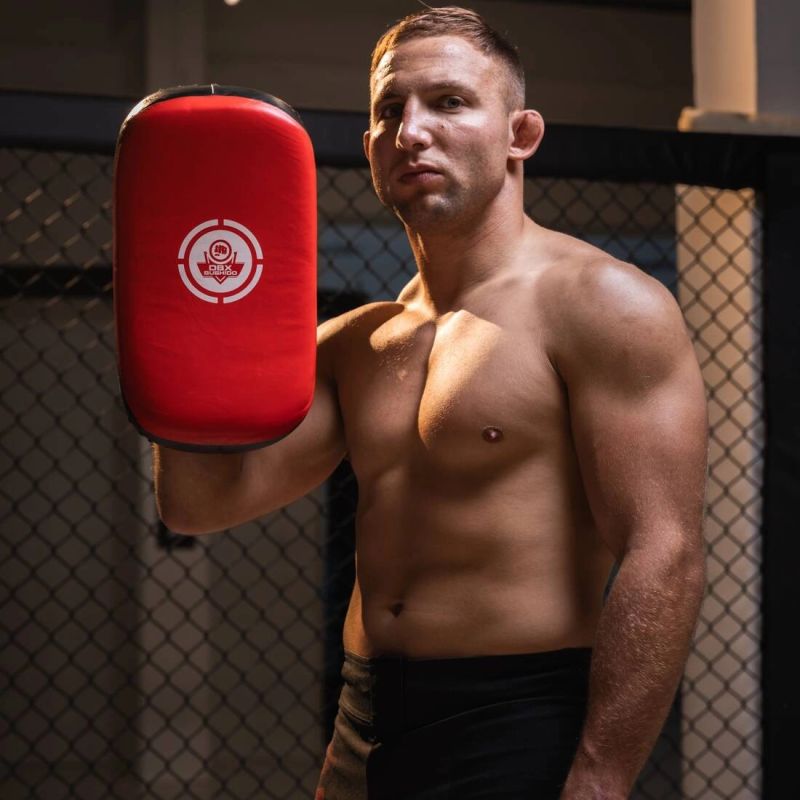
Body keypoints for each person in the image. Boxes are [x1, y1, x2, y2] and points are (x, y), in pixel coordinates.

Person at [153, 6, 708, 798]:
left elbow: (664, 552)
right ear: (371, 147)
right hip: (364, 720)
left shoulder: (602, 304)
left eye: (449, 102)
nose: (412, 131)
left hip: (516, 719)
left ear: (520, 135)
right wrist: (177, 331)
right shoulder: (356, 343)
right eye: (390, 110)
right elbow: (199, 503)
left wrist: (601, 776)